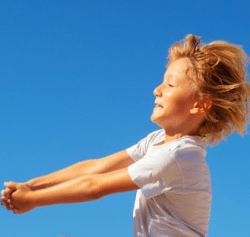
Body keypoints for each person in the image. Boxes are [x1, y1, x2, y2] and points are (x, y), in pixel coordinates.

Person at [1, 34, 250, 237]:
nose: (157, 90)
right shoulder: (156, 142)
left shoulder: (178, 157)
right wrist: (32, 185)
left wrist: (33, 200)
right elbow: (96, 167)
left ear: (199, 106)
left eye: (170, 85)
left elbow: (95, 187)